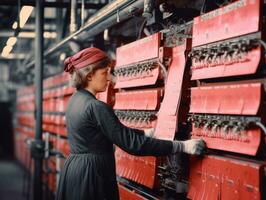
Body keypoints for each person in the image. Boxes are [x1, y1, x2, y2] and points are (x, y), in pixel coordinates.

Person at [56, 47, 206, 200]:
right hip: (92, 176)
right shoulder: (96, 107)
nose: (109, 78)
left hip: (75, 171)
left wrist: (144, 133)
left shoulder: (75, 101)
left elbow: (113, 131)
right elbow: (133, 145)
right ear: (89, 76)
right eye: (104, 73)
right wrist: (181, 146)